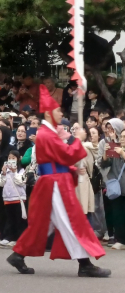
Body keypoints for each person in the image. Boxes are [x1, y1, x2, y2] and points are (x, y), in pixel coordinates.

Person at [7, 84, 109, 278]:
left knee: (45, 225)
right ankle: (84, 264)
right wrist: (78, 140)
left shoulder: (48, 133)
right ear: (48, 114)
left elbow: (56, 160)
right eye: (57, 110)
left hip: (52, 182)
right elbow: (67, 155)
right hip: (55, 184)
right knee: (71, 222)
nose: (60, 112)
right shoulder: (47, 134)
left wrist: (70, 168)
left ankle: (18, 254)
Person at [0, 150, 27, 247]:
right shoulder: (6, 171)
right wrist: (3, 173)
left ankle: (19, 238)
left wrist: (15, 172)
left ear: (18, 159)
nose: (11, 160)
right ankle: (10, 237)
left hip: (19, 198)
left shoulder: (22, 171)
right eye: (9, 158)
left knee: (19, 220)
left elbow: (21, 182)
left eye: (13, 158)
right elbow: (0, 183)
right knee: (10, 219)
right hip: (7, 198)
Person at [75, 126, 96, 225]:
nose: (75, 131)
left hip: (82, 181)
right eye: (74, 129)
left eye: (78, 129)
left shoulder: (86, 148)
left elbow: (89, 167)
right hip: (73, 182)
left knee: (84, 212)